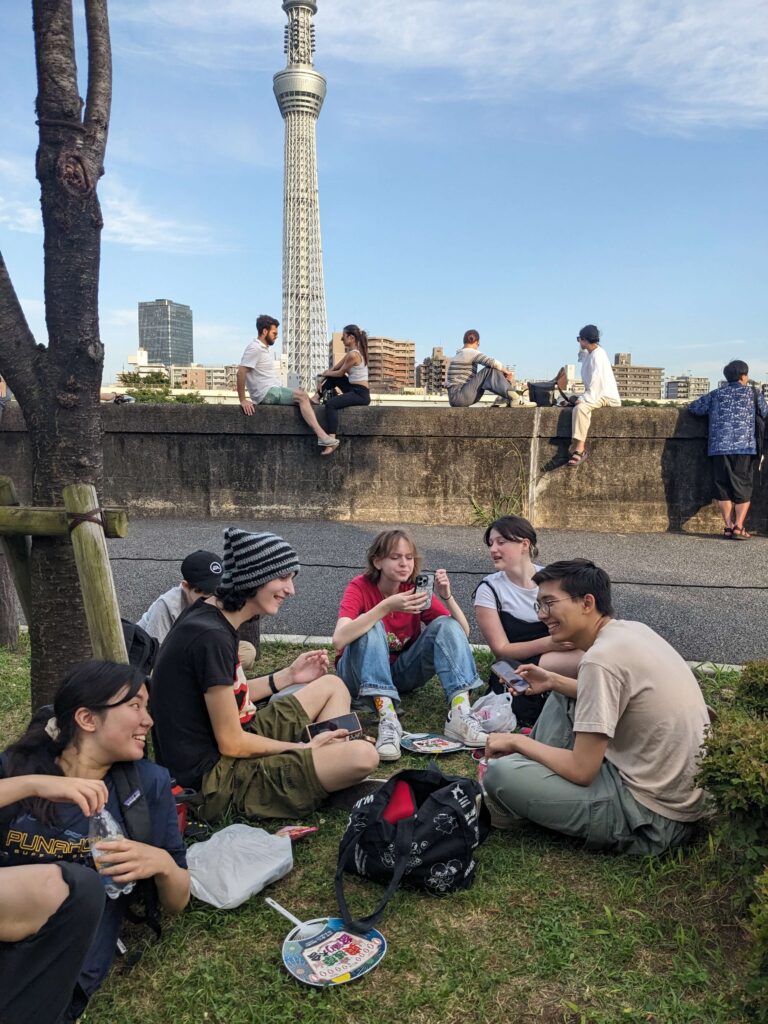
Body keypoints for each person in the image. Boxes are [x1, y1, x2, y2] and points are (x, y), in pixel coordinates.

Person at [0, 662, 190, 1020]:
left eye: (147, 708)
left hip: (55, 966)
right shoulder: (21, 766)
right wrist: (34, 785)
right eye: (135, 706)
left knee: (80, 886)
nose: (148, 720)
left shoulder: (147, 786)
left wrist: (161, 863)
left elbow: (178, 900)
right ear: (87, 719)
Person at [482, 559, 711, 856]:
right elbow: (614, 698)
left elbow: (582, 771)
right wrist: (552, 680)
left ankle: (522, 786)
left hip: (652, 817)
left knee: (500, 775)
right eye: (539, 605)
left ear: (587, 602)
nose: (542, 616)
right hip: (677, 794)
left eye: (549, 603)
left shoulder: (600, 660)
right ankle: (532, 778)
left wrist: (517, 741)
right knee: (562, 692)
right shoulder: (631, 631)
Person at [150, 528, 379, 822]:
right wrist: (301, 748)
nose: (290, 590)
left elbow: (225, 692)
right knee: (364, 756)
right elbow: (232, 743)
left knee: (333, 684)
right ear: (253, 576)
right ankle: (326, 768)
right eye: (283, 578)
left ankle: (325, 768)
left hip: (234, 738)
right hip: (212, 781)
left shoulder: (210, 615)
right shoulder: (210, 637)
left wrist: (288, 676)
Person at [332, 528, 487, 761]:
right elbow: (339, 639)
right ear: (378, 561)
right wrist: (384, 608)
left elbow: (459, 632)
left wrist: (446, 596)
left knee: (445, 624)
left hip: (401, 674)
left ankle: (460, 712)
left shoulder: (414, 589)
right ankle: (388, 718)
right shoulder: (360, 586)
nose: (404, 564)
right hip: (357, 675)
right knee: (371, 625)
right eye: (395, 557)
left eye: (409, 557)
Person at [473, 515, 582, 726]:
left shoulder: (552, 579)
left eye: (501, 542)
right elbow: (501, 650)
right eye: (491, 544)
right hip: (516, 666)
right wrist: (550, 644)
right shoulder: (489, 589)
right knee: (589, 662)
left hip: (561, 655)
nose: (493, 549)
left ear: (524, 544)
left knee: (597, 656)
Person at [137, 548, 255, 671]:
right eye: (205, 597)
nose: (212, 602)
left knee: (247, 651)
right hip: (163, 659)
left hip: (198, 651)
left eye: (217, 594)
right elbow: (153, 656)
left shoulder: (220, 599)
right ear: (186, 586)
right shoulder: (167, 605)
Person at [688, 359, 767, 540]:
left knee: (722, 486)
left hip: (719, 447)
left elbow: (694, 408)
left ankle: (728, 526)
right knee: (743, 486)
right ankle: (739, 526)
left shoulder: (716, 394)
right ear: (743, 375)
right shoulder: (754, 394)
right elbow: (764, 411)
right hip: (744, 447)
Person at [236, 314, 338, 449]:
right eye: (274, 333)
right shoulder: (255, 348)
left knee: (303, 397)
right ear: (264, 331)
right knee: (301, 396)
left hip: (271, 390)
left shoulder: (261, 349)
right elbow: (241, 372)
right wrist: (243, 399)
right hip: (267, 393)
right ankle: (322, 436)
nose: (276, 336)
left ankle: (314, 406)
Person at [310, 324, 371, 455]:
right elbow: (335, 369)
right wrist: (321, 379)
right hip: (353, 388)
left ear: (351, 337)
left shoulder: (354, 355)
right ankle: (316, 398)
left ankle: (332, 441)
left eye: (343, 337)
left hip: (360, 394)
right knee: (333, 377)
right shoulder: (351, 353)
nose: (342, 340)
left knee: (331, 404)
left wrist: (324, 376)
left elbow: (339, 373)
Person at [567, 325, 621, 466]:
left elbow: (596, 382)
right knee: (567, 399)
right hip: (595, 391)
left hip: (604, 394)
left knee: (581, 409)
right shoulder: (590, 353)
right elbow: (582, 357)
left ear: (585, 340)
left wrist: (583, 399)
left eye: (580, 339)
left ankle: (579, 448)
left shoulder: (598, 355)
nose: (578, 342)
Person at [446, 330, 532, 408]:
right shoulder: (469, 352)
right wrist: (507, 372)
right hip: (459, 396)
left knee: (492, 372)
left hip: (455, 396)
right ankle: (516, 398)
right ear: (477, 342)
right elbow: (493, 362)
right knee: (489, 370)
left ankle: (505, 398)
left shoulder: (459, 354)